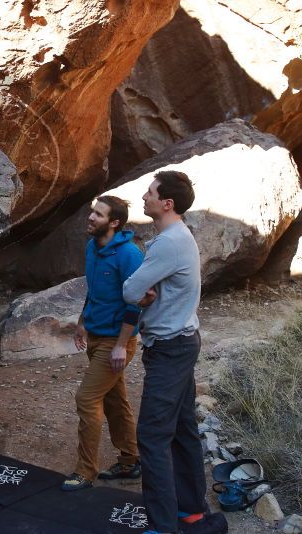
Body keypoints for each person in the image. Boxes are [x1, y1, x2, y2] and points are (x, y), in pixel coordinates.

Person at [122, 171, 217, 534]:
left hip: (170, 347)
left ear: (167, 203)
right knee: (182, 428)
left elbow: (131, 292)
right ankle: (191, 509)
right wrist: (147, 289)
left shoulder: (168, 243)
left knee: (152, 435)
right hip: (181, 342)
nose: (143, 197)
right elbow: (143, 289)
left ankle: (162, 526)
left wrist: (145, 290)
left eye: (149, 192)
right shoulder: (177, 237)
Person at [62, 196, 143, 492]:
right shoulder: (92, 247)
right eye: (92, 211)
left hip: (116, 341)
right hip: (96, 334)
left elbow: (136, 304)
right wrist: (82, 321)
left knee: (86, 398)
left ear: (114, 222)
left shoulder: (129, 255)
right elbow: (95, 287)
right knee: (113, 399)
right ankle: (131, 460)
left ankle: (85, 471)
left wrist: (122, 344)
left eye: (98, 214)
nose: (91, 217)